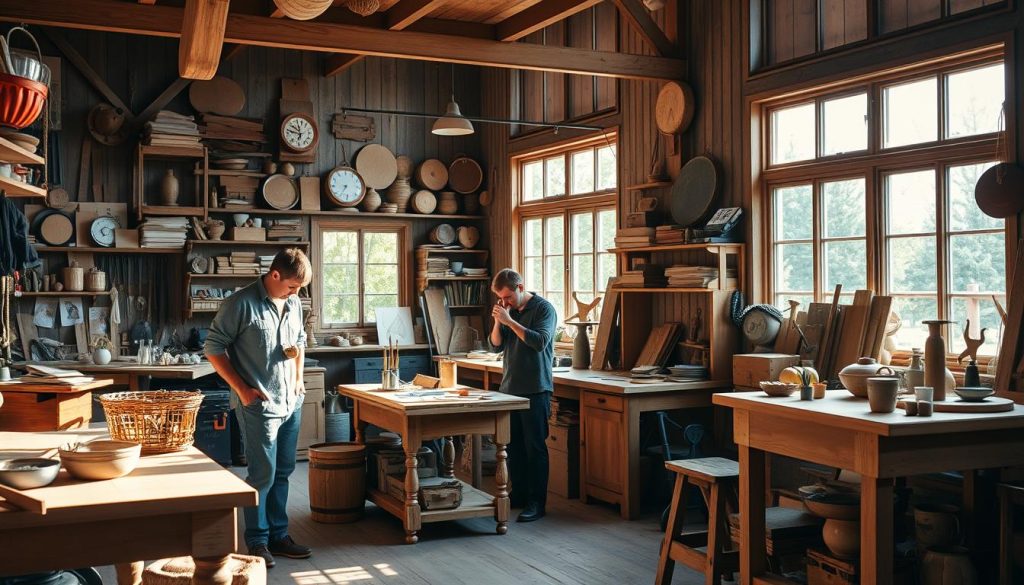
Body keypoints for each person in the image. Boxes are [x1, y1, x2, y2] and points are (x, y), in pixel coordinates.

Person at [205, 248, 312, 567]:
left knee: (284, 472)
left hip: (292, 401)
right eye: (293, 286)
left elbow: (301, 341)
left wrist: (300, 379)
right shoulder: (239, 304)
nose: (297, 293)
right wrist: (242, 390)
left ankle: (279, 536)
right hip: (259, 405)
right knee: (261, 474)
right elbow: (213, 348)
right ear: (274, 275)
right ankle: (257, 541)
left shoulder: (293, 302)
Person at [489, 268, 557, 522]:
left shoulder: (543, 309)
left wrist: (509, 321)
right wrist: (499, 320)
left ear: (520, 287)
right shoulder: (508, 311)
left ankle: (537, 503)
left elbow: (539, 342)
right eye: (500, 299)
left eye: (508, 297)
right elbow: (495, 344)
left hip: (536, 388)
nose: (505, 302)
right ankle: (518, 495)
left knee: (535, 448)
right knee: (513, 447)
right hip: (509, 389)